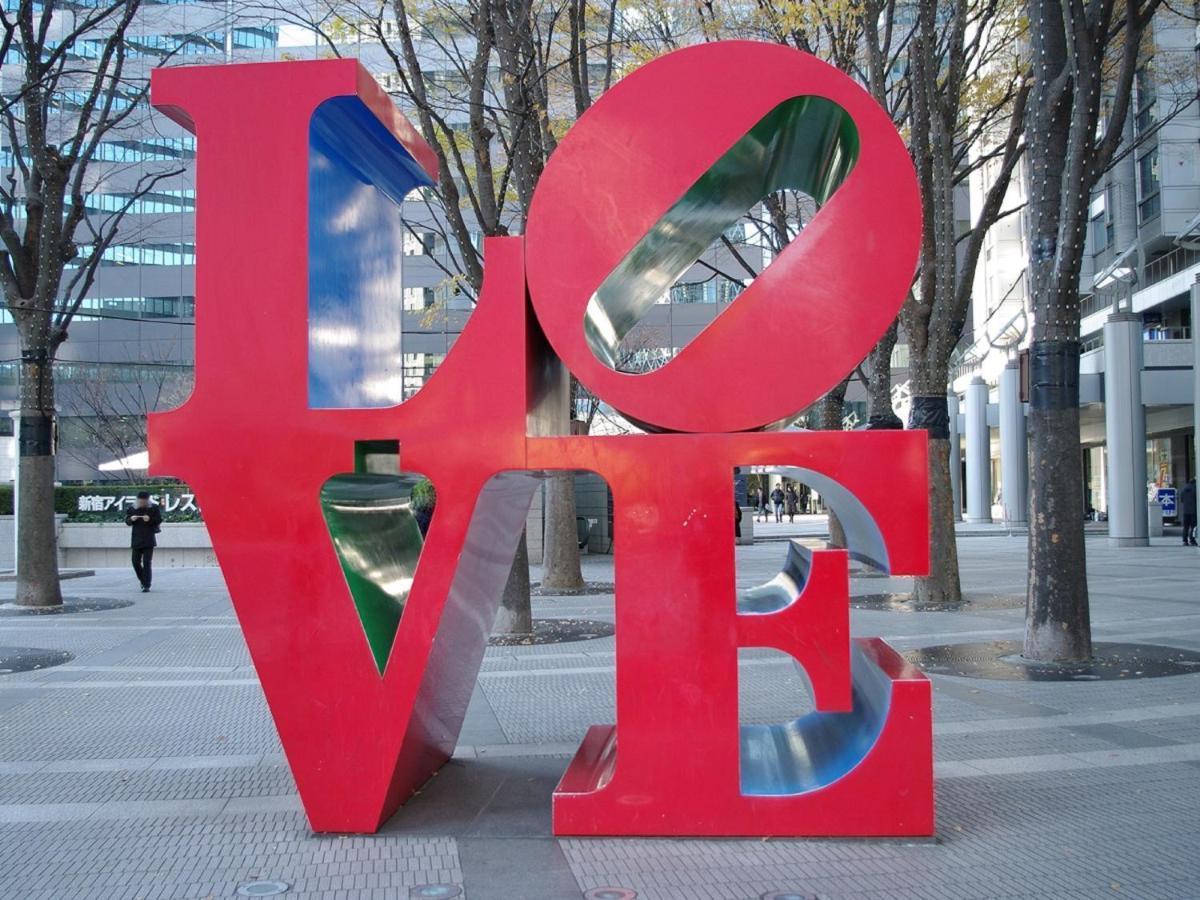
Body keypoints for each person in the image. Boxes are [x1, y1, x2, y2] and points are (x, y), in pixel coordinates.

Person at [126, 491, 162, 592]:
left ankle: (147, 585)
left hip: (148, 539)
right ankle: (143, 579)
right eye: (140, 501)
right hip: (136, 539)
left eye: (144, 501)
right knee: (135, 562)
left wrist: (149, 519)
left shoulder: (153, 508)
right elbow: (127, 522)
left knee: (147, 562)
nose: (142, 503)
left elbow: (158, 520)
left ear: (147, 500)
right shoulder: (132, 508)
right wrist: (131, 519)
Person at [1180, 477, 1197, 547]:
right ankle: (1192, 540)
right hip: (1193, 511)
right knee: (1193, 526)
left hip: (1185, 511)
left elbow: (1182, 500)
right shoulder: (1195, 489)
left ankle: (1184, 541)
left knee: (1185, 527)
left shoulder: (1184, 489)